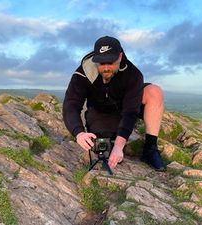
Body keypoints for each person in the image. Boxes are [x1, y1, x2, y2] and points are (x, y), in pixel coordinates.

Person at [63, 36, 166, 171]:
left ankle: (150, 149)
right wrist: (79, 133)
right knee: (102, 145)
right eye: (101, 63)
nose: (106, 68)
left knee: (154, 92)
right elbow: (71, 104)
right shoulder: (83, 73)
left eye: (111, 62)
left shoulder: (132, 74)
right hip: (99, 112)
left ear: (120, 56)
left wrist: (119, 145)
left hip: (124, 109)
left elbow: (130, 111)